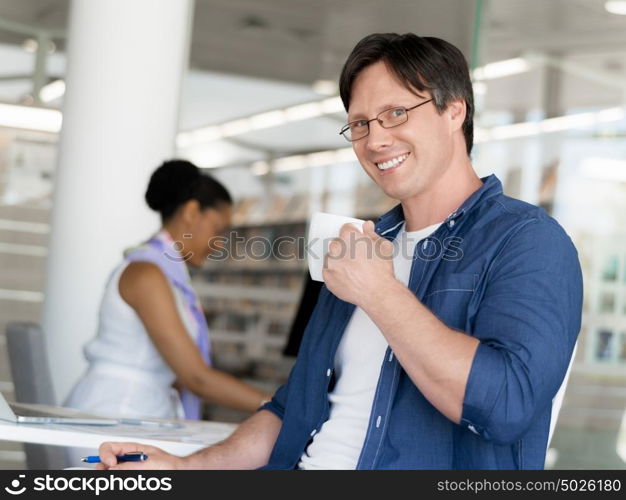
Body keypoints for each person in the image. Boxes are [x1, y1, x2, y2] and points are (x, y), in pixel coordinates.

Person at [97, 33, 583, 470]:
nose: (376, 139)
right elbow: (294, 408)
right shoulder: (362, 247)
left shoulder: (527, 241)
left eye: (396, 113)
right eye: (360, 124)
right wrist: (188, 468)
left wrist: (379, 293)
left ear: (454, 109)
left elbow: (506, 407)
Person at [66, 160, 270, 421]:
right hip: (117, 411)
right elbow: (196, 378)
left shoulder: (167, 276)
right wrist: (279, 406)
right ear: (192, 212)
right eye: (218, 230)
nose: (219, 244)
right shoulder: (147, 275)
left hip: (135, 412)